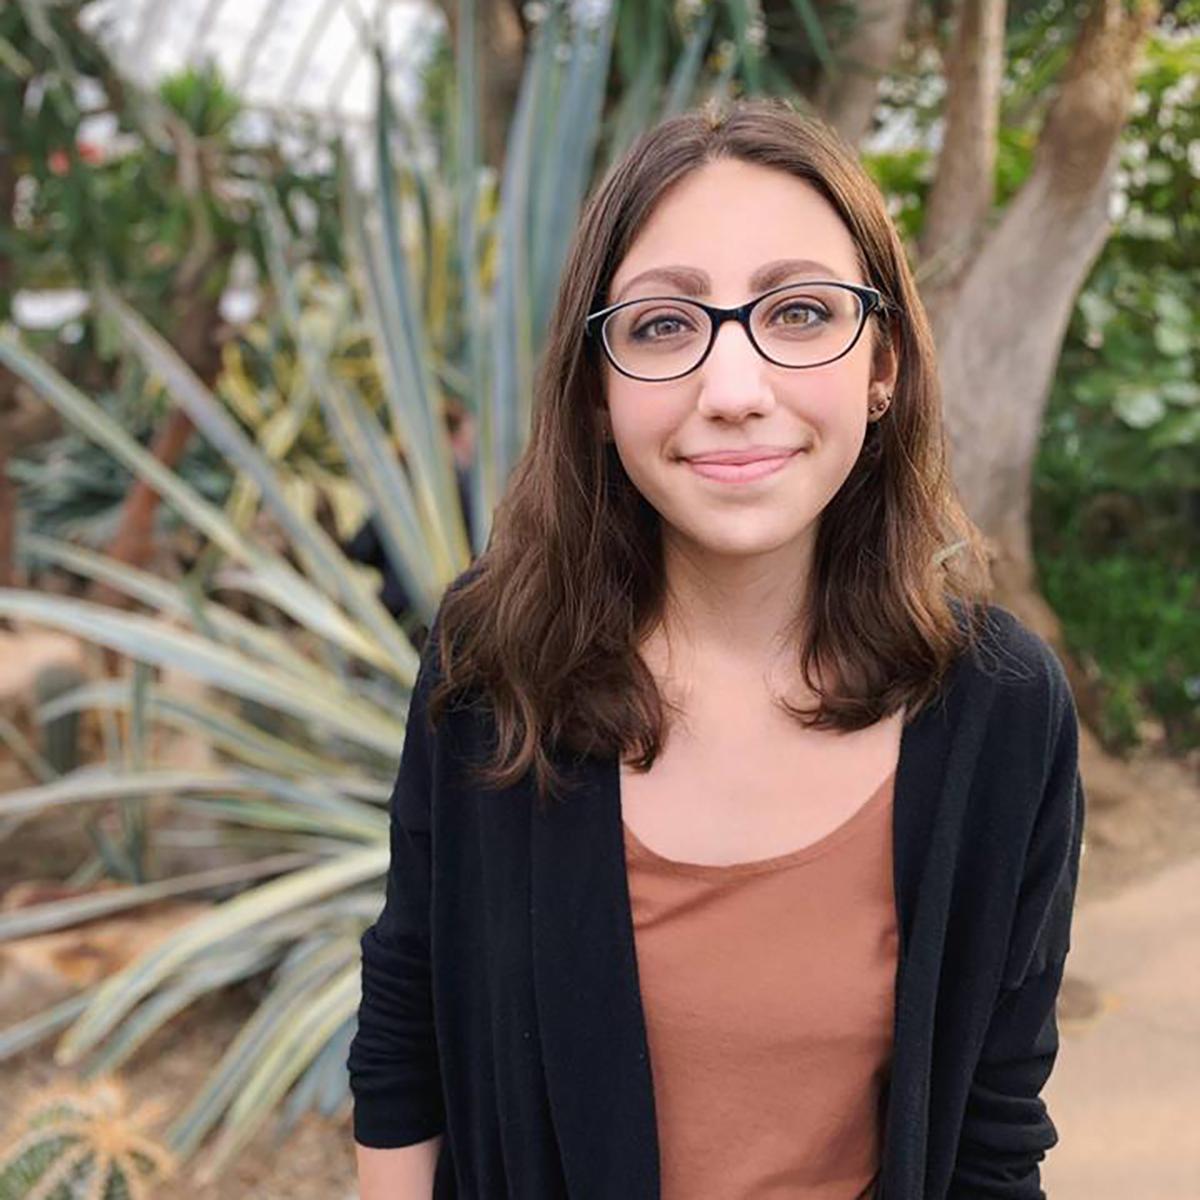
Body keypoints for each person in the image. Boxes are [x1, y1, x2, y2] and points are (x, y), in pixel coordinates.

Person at [347, 95, 1085, 1200]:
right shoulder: (496, 663)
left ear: (882, 367)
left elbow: (993, 1129)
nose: (733, 391)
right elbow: (412, 1014)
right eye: (661, 326)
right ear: (597, 390)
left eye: (798, 313)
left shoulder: (999, 709)